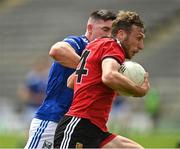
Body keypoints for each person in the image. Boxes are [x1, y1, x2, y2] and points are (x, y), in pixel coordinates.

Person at [54, 10, 150, 148]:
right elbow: (109, 76)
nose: (141, 46)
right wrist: (139, 91)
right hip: (78, 127)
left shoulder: (95, 45)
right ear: (121, 34)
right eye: (138, 38)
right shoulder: (113, 46)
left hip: (95, 129)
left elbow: (71, 81)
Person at [24, 9, 116, 149]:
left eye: (112, 31)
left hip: (76, 127)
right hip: (53, 119)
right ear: (90, 28)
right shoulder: (79, 42)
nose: (109, 35)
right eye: (105, 29)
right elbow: (57, 50)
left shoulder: (103, 55)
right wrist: (88, 69)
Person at [17, 55, 50, 128]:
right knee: (29, 128)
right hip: (32, 107)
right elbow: (24, 90)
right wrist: (30, 98)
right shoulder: (32, 77)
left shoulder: (48, 77)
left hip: (44, 107)